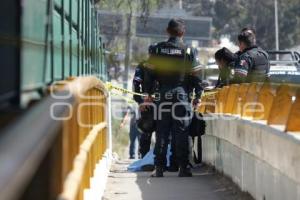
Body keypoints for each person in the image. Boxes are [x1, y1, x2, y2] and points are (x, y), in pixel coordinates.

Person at [148, 18, 201, 177]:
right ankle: (183, 167)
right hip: (181, 95)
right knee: (181, 131)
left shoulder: (157, 50)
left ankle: (159, 168)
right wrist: (197, 95)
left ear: (167, 31)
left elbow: (149, 74)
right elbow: (197, 75)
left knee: (162, 131)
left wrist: (149, 93)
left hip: (162, 95)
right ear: (183, 32)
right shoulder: (189, 51)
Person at [132, 61, 156, 158]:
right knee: (146, 130)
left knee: (165, 133)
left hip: (164, 101)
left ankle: (165, 161)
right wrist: (141, 101)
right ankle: (144, 158)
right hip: (147, 103)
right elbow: (136, 84)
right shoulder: (143, 65)